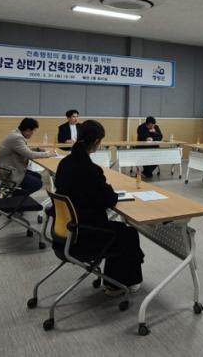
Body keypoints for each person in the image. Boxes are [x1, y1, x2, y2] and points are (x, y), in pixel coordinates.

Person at [55, 120, 144, 292]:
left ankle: (115, 281)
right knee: (128, 233)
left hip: (66, 230)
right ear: (97, 141)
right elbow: (109, 200)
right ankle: (116, 285)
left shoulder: (64, 163)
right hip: (85, 234)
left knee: (122, 230)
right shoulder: (90, 169)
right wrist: (107, 188)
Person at [0, 118, 54, 194]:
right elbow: (30, 155)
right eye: (33, 131)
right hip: (9, 173)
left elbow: (23, 149)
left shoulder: (15, 133)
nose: (32, 133)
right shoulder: (17, 138)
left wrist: (37, 149)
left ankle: (16, 195)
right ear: (28, 130)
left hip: (8, 167)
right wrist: (48, 154)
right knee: (37, 184)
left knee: (37, 176)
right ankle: (14, 197)